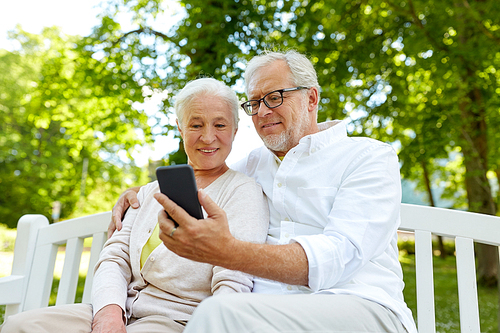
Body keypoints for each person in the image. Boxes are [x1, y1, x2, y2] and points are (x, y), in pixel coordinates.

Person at [111, 50, 418, 333]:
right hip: (263, 314)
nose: (262, 112)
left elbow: (340, 255)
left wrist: (228, 252)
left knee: (216, 314)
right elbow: (206, 173)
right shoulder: (254, 164)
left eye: (274, 97)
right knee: (222, 313)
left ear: (311, 98)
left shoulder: (367, 157)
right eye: (254, 103)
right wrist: (142, 191)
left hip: (360, 306)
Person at [0, 78, 269, 333]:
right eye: (196, 125)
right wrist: (108, 313)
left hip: (178, 320)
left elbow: (233, 279)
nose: (208, 137)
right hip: (116, 308)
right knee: (18, 326)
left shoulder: (243, 192)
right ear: (180, 128)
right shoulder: (151, 190)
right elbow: (114, 257)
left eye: (220, 125)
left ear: (235, 128)